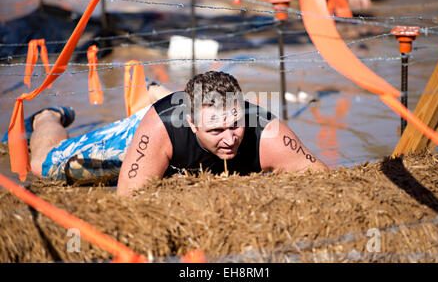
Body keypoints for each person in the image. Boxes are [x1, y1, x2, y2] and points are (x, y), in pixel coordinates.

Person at [5, 71, 328, 196]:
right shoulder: (162, 128)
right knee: (45, 166)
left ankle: (160, 90)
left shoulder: (268, 135)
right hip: (151, 128)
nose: (230, 138)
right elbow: (130, 201)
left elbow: (327, 183)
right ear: (191, 123)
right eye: (216, 130)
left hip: (184, 109)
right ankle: (47, 118)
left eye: (235, 125)